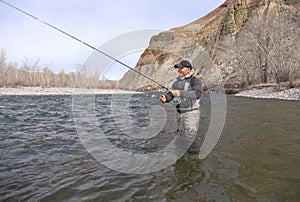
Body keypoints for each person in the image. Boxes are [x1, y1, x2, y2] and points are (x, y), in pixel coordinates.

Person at [160, 60, 202, 154]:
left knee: (190, 135)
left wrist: (179, 93)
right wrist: (165, 98)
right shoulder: (176, 83)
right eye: (178, 68)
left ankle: (195, 158)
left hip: (191, 112)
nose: (178, 70)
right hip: (179, 112)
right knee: (180, 135)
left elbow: (197, 94)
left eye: (181, 68)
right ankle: (180, 156)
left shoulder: (195, 81)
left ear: (188, 70)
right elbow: (171, 95)